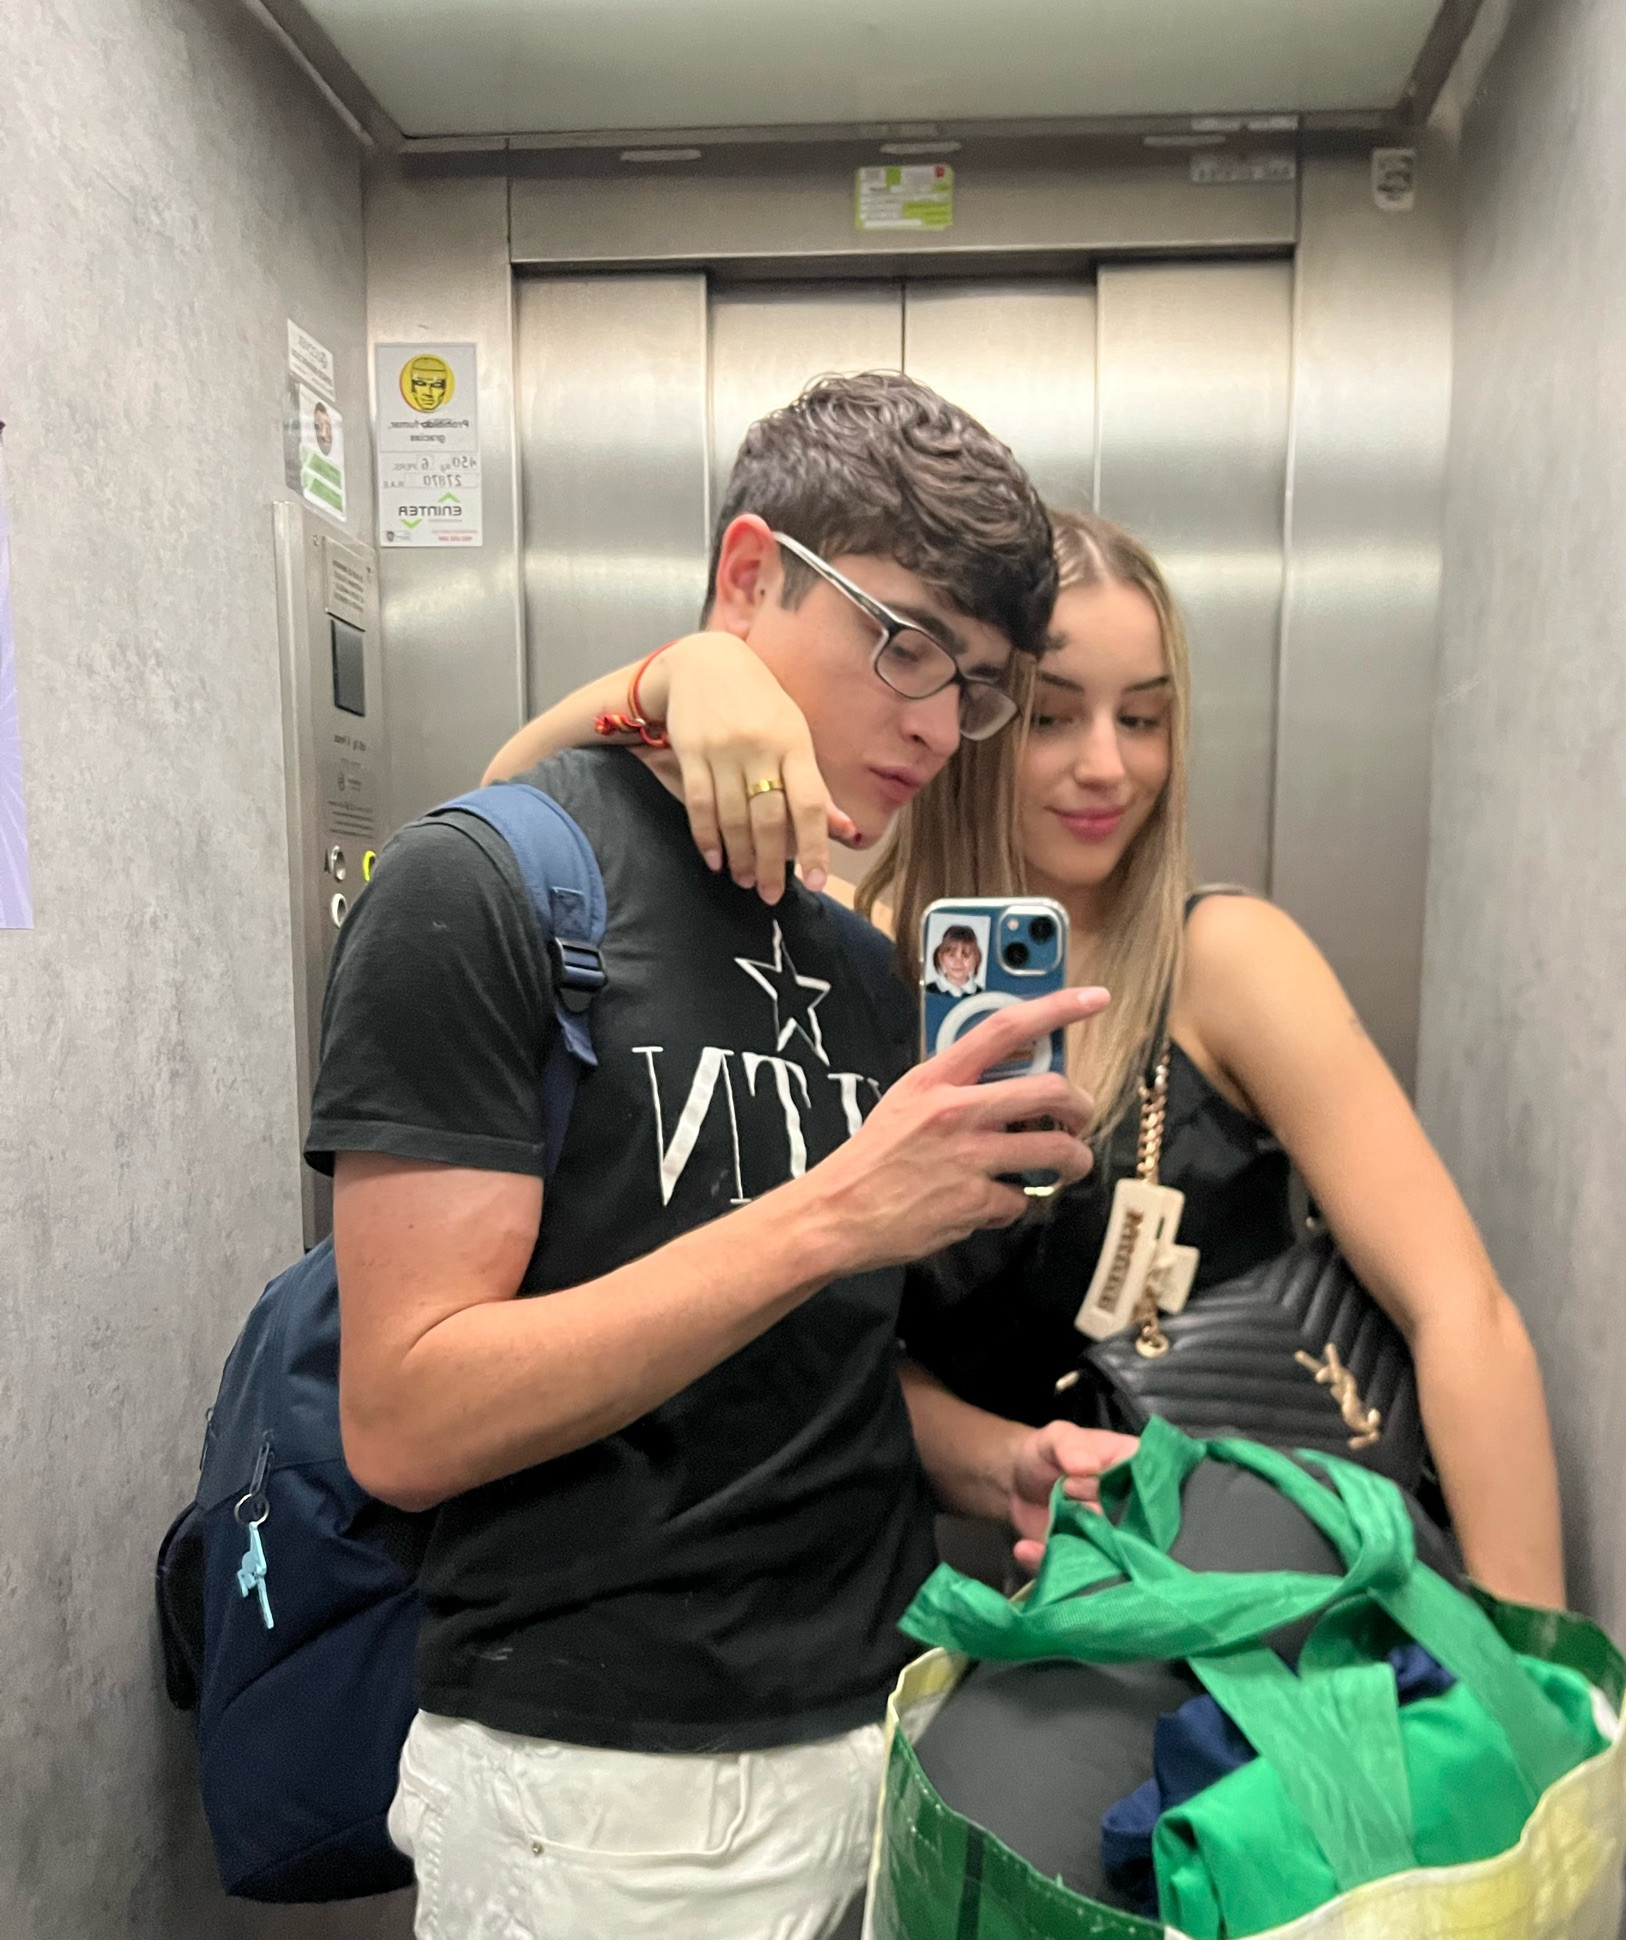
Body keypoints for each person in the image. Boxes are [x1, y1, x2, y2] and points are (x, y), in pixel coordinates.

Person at [309, 375, 1136, 1940]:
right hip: (595, 1759)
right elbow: (404, 1412)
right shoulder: (488, 889)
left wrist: (1000, 1459)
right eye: (907, 644)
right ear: (750, 576)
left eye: (980, 685)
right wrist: (839, 1211)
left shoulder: (855, 974)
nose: (939, 725)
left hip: (850, 1722)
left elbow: (816, 1373)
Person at [492, 510, 1566, 1611]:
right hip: (1019, 1622)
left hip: (1293, 1587)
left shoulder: (1223, 959)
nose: (1107, 766)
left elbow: (1461, 1312)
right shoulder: (848, 961)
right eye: (1051, 717)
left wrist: (1532, 1670)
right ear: (967, 718)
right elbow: (510, 807)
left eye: (1142, 718)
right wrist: (684, 675)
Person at [924, 920, 984, 996]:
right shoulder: (928, 991)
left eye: (965, 955)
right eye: (951, 955)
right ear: (941, 958)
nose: (958, 962)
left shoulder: (982, 995)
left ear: (976, 959)